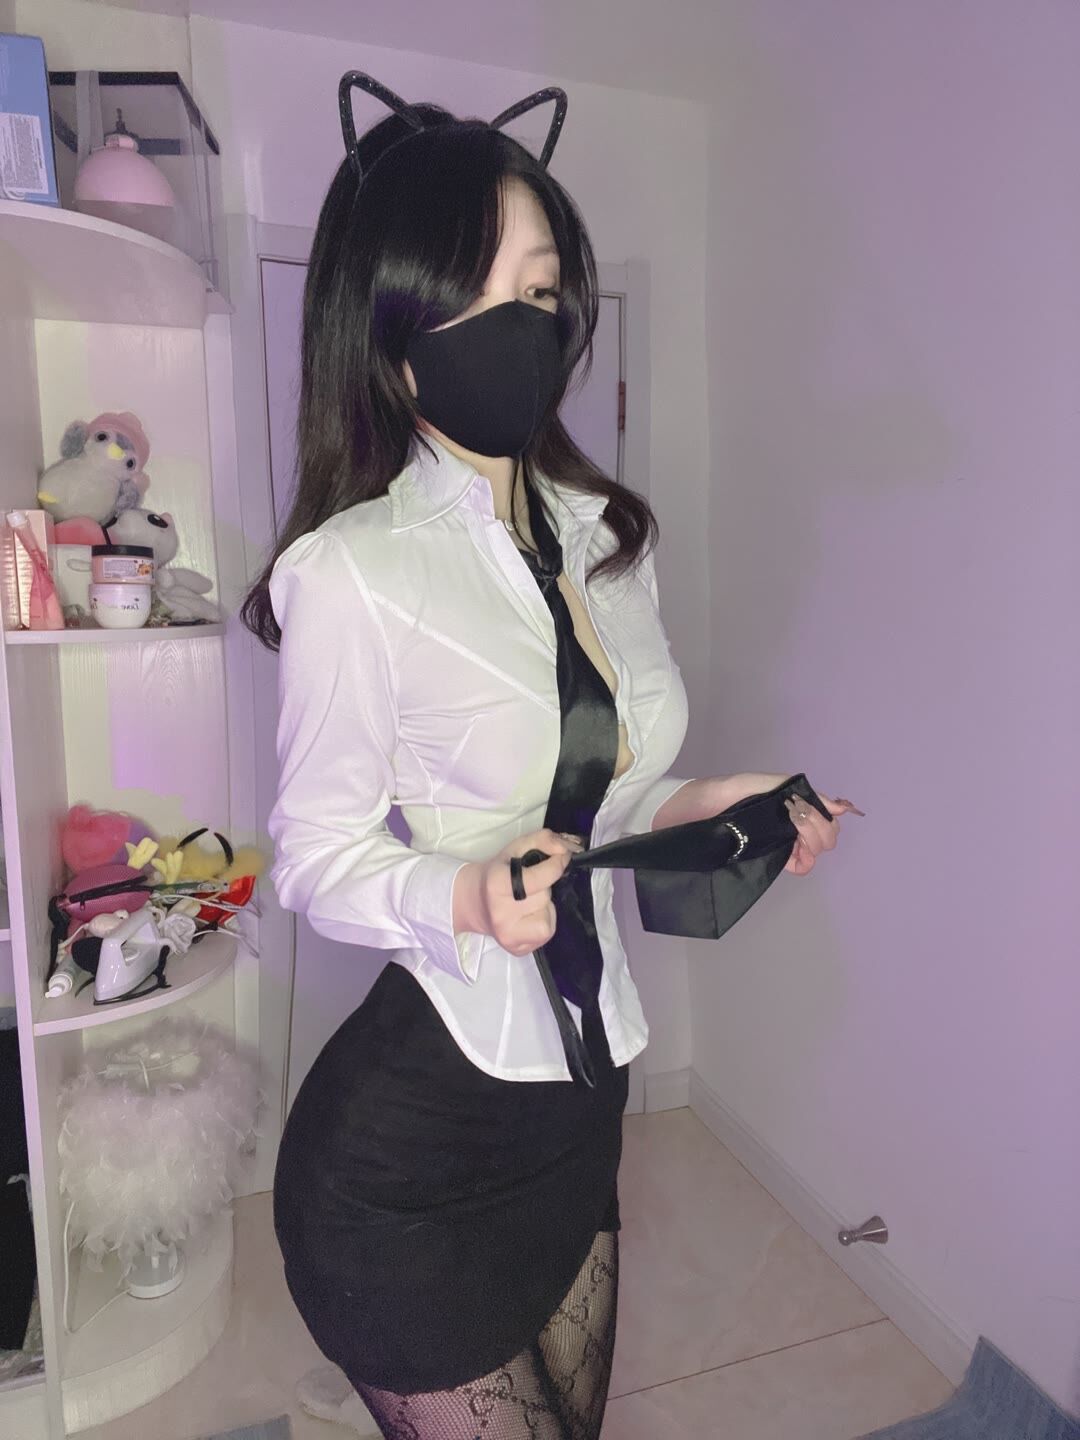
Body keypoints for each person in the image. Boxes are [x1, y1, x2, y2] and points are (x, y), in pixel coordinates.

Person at [242, 74, 860, 1440]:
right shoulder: (352, 573)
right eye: (477, 298)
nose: (524, 324)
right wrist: (465, 893)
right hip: (406, 1162)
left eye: (539, 288)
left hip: (578, 1114)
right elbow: (315, 861)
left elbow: (606, 792)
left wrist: (717, 800)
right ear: (395, 339)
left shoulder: (604, 533)